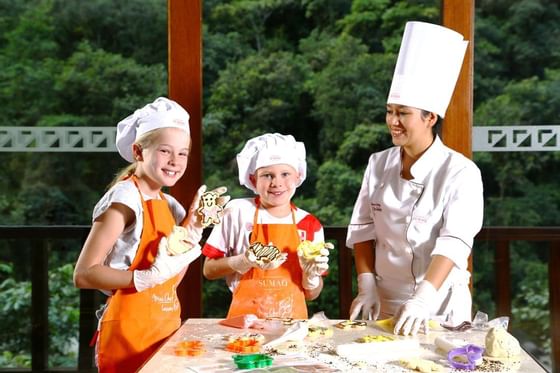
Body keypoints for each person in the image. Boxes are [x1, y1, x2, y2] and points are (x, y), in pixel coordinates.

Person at [346, 21, 484, 336]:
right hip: (384, 299)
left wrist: (422, 299)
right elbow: (363, 229)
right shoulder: (378, 164)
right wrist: (366, 284)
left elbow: (454, 242)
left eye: (403, 113)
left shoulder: (460, 172)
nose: (393, 121)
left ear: (430, 117)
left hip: (438, 303)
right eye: (389, 111)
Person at [73, 97, 228, 372]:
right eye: (165, 151)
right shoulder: (124, 199)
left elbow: (171, 276)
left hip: (165, 327)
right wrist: (145, 278)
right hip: (128, 335)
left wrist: (193, 229)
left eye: (183, 153)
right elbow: (84, 274)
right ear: (138, 151)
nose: (175, 161)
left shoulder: (170, 206)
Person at [202, 133, 330, 319]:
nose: (276, 182)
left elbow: (311, 295)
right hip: (244, 325)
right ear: (253, 180)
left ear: (298, 176)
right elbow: (209, 270)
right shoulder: (237, 212)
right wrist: (243, 261)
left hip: (292, 328)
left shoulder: (310, 224)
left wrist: (310, 278)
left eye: (285, 174)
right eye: (267, 175)